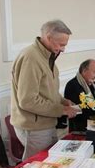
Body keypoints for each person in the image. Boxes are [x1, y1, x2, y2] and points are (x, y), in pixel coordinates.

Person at [11, 20, 79, 160]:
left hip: (45, 122)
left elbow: (47, 90)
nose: (63, 49)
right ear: (48, 37)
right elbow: (28, 100)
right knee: (36, 167)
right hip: (34, 126)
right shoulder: (31, 57)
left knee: (47, 164)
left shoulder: (46, 56)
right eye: (61, 44)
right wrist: (62, 110)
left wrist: (63, 101)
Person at [64, 59, 95, 132]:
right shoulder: (72, 85)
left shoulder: (94, 85)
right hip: (80, 129)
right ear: (84, 71)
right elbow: (79, 112)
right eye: (94, 72)